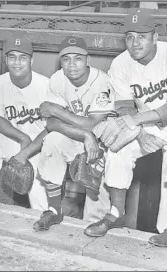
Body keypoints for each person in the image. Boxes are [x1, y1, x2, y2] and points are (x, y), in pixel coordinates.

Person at [84, 9, 167, 246]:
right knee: (117, 150)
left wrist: (136, 123)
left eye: (142, 36)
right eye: (130, 36)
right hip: (145, 124)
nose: (135, 43)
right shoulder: (121, 63)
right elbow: (124, 107)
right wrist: (140, 133)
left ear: (155, 37)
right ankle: (116, 213)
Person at [32, 36, 116, 231]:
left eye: (77, 58)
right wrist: (85, 136)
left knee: (96, 208)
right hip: (80, 138)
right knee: (52, 141)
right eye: (66, 59)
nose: (71, 65)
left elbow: (92, 124)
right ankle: (54, 210)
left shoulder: (102, 81)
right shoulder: (57, 79)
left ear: (88, 60)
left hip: (104, 143)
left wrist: (57, 110)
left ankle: (97, 228)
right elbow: (52, 123)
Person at [0, 36, 49, 214]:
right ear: (6, 60)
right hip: (14, 140)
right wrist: (22, 138)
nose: (17, 62)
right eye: (12, 57)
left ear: (31, 60)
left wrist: (28, 149)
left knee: (41, 203)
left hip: (41, 146)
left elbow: (53, 127)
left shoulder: (46, 85)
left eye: (23, 57)